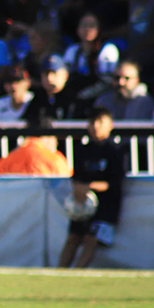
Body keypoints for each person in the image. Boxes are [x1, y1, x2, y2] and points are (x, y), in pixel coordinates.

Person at [59, 108, 125, 269]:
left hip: (106, 204)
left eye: (100, 122)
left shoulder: (115, 150)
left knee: (91, 238)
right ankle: (59, 273)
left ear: (110, 125)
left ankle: (76, 273)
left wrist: (90, 187)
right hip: (83, 201)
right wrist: (79, 190)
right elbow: (76, 176)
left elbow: (116, 182)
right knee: (73, 237)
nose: (95, 126)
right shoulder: (82, 149)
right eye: (92, 122)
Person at [0, 110, 71, 175]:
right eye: (54, 137)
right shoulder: (56, 161)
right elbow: (64, 186)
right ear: (47, 136)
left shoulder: (5, 161)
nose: (56, 143)